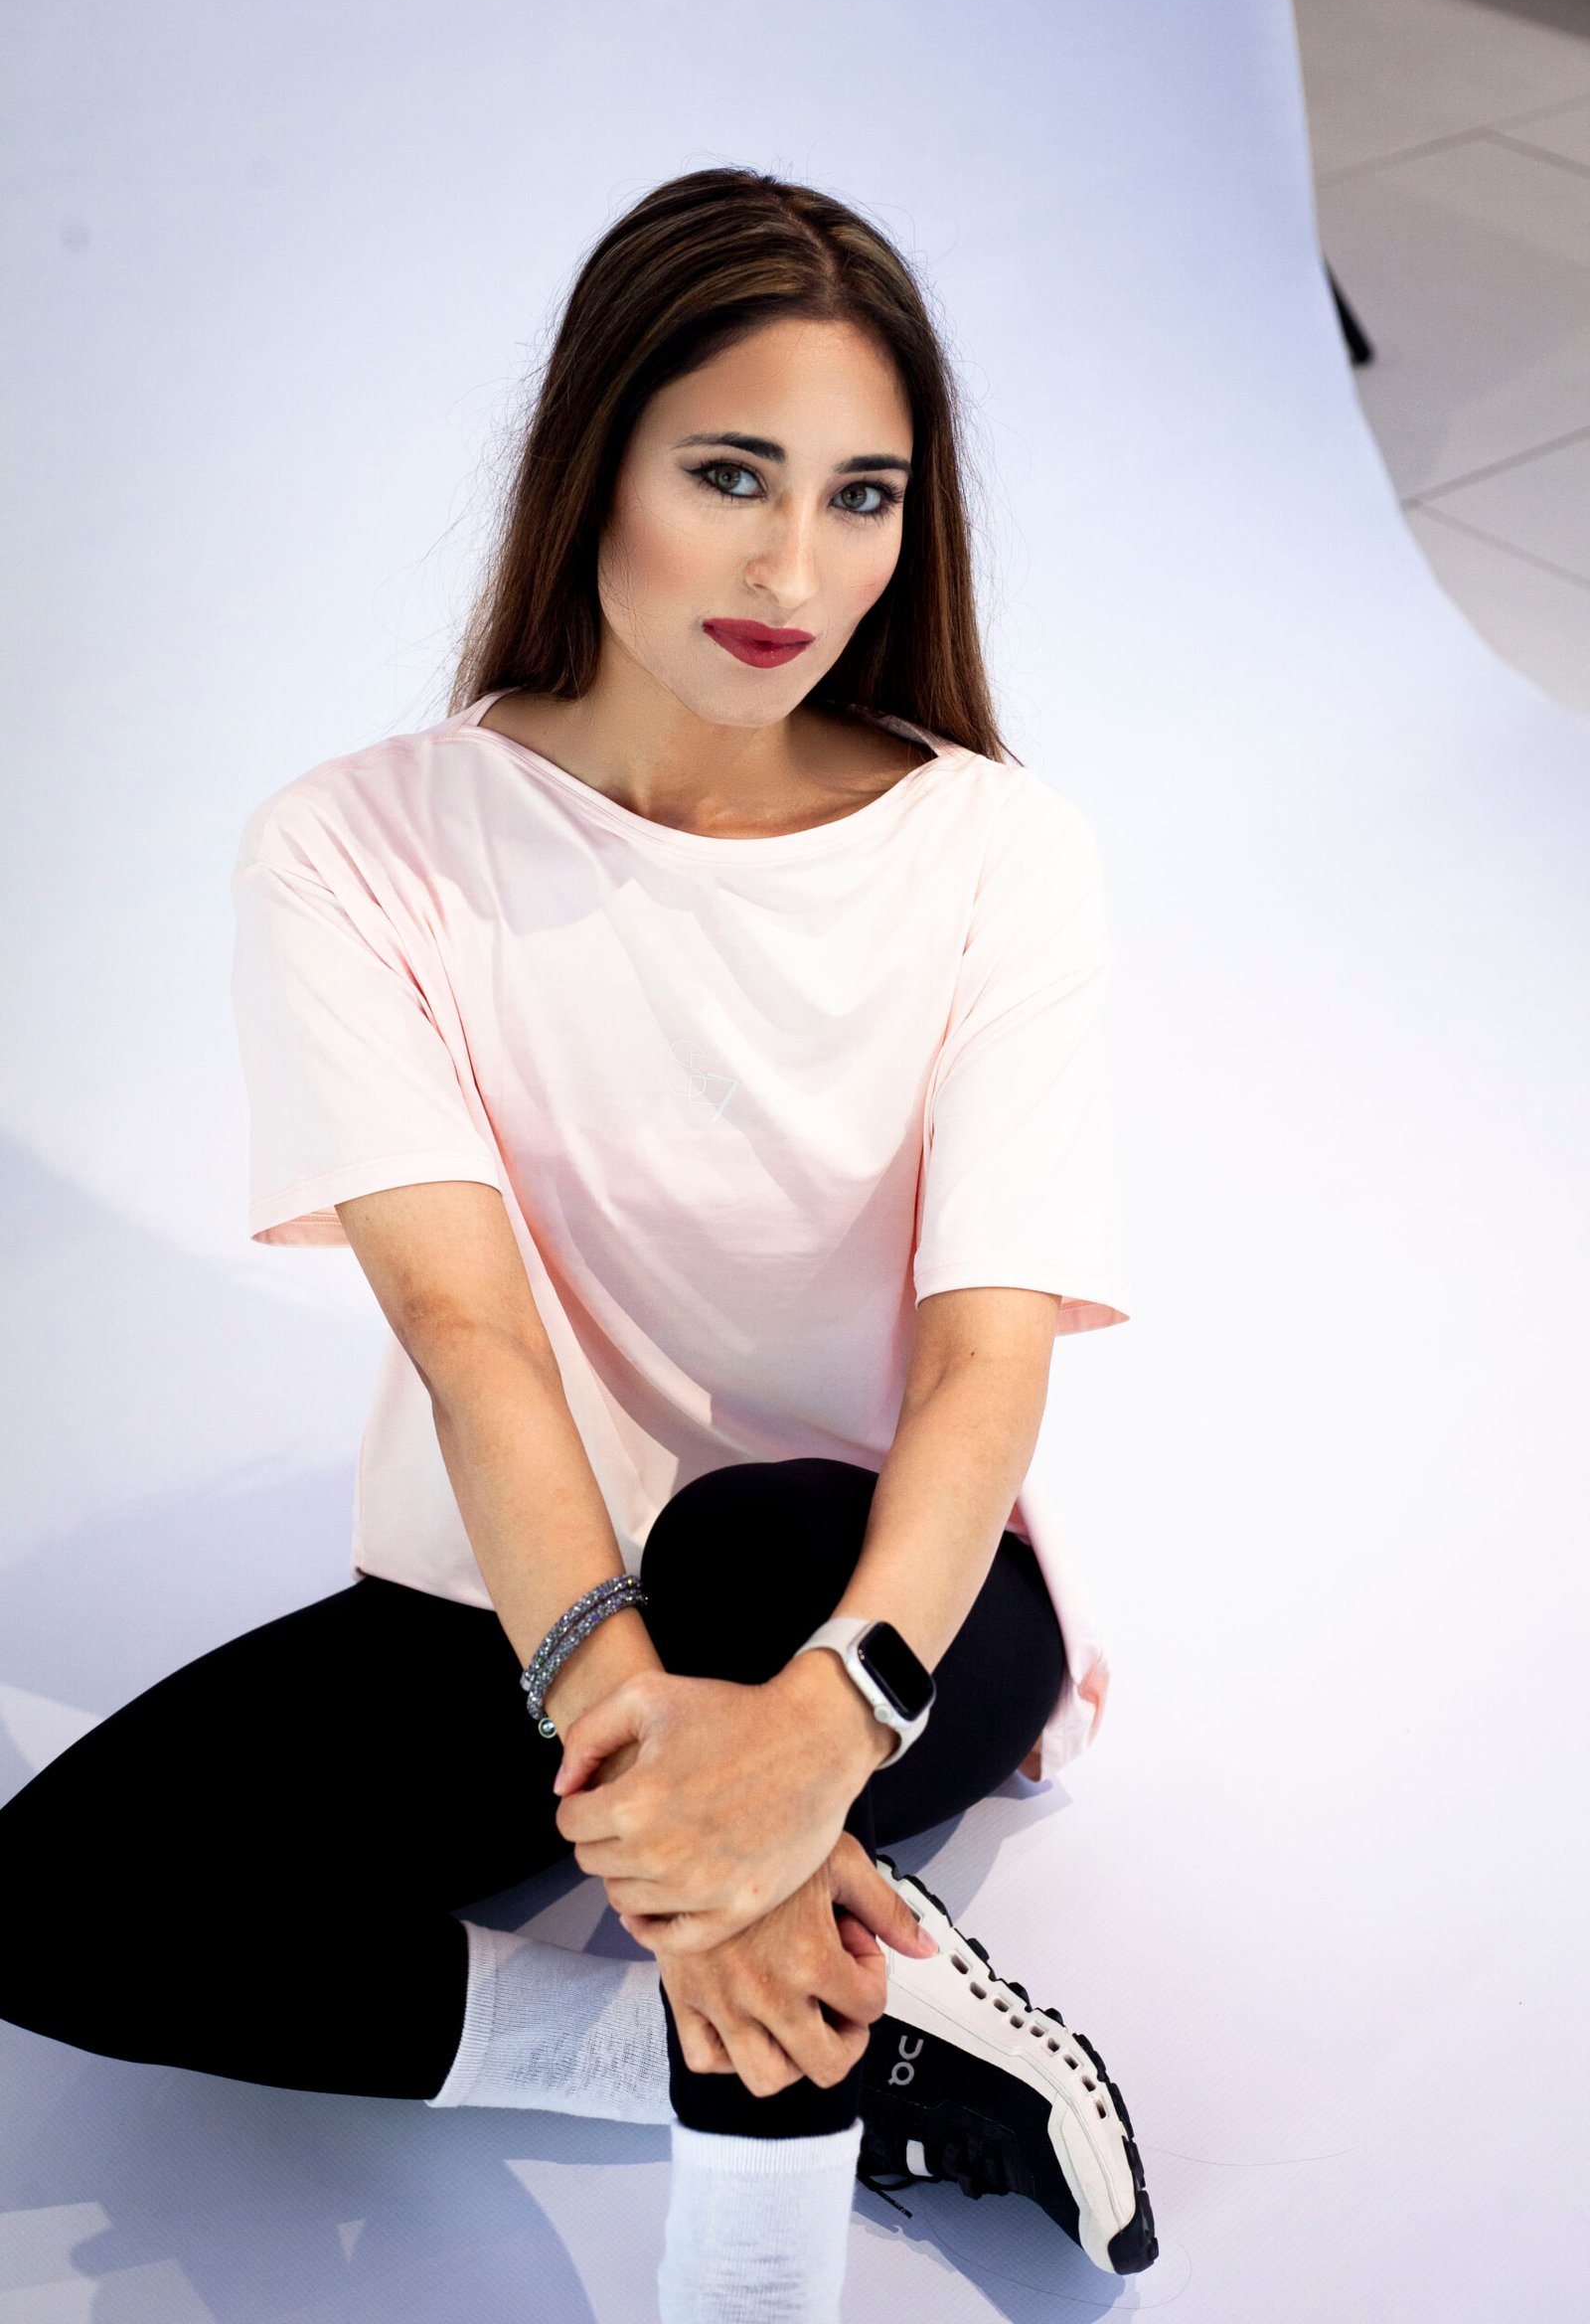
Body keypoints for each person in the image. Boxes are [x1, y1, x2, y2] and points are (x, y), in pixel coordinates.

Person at [0, 165, 1157, 2315]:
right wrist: (680, 1823)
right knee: (54, 1903)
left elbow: (984, 1358)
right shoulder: (354, 850)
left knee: (744, 1539)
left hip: (889, 1603)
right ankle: (824, 2040)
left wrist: (817, 1735)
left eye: (861, 495)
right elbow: (473, 1338)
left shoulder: (998, 851)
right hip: (534, 1605)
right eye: (729, 474)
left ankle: (763, 2061)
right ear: (592, 460)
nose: (793, 569)